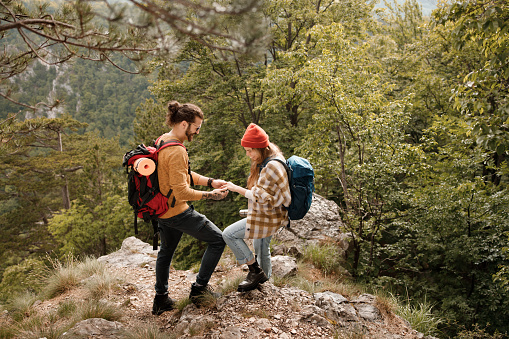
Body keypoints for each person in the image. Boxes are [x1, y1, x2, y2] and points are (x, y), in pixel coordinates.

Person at [152, 100, 229, 315]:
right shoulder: (176, 150)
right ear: (184, 124)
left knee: (166, 251)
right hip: (177, 212)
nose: (197, 132)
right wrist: (211, 195)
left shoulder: (163, 140)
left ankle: (161, 299)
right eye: (196, 128)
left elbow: (182, 175)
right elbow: (182, 192)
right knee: (218, 240)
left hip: (162, 210)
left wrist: (210, 181)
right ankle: (199, 290)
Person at [223, 123, 291, 292]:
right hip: (273, 212)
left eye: (249, 150)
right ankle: (264, 282)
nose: (248, 155)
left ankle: (255, 271)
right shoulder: (273, 155)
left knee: (229, 234)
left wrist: (235, 188)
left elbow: (259, 196)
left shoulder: (271, 166)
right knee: (261, 247)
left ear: (261, 147)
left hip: (270, 216)